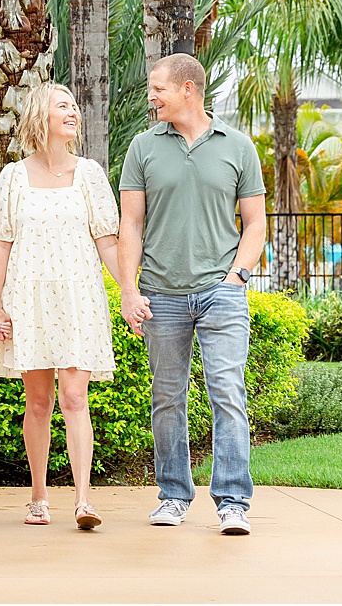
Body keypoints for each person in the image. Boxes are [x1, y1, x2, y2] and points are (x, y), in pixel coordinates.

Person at [118, 53, 266, 536]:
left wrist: (237, 278)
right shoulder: (142, 148)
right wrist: (127, 289)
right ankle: (174, 495)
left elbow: (256, 224)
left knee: (228, 392)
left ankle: (232, 502)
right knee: (167, 397)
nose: (151, 96)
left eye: (158, 88)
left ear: (188, 89)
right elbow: (131, 226)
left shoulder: (238, 147)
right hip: (160, 293)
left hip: (221, 291)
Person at [0, 83, 121, 529]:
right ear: (41, 116)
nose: (74, 112)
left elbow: (108, 241)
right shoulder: (12, 177)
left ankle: (83, 500)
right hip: (28, 299)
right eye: (63, 105)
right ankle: (39, 498)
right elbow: (1, 244)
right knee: (38, 402)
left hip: (78, 297)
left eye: (75, 106)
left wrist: (131, 291)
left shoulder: (91, 174)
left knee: (75, 396)